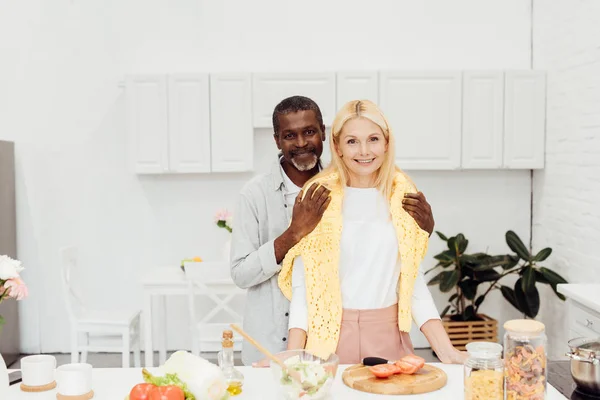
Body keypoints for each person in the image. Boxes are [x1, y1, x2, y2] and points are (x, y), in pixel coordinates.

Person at [230, 96, 436, 366]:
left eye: (309, 132)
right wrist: (293, 234)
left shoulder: (344, 188)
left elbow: (390, 265)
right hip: (270, 345)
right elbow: (241, 274)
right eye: (290, 135)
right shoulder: (254, 195)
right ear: (277, 140)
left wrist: (421, 232)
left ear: (325, 136)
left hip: (327, 341)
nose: (302, 142)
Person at [278, 99, 466, 365]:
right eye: (352, 141)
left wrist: (447, 351)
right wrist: (293, 353)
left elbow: (412, 282)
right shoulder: (318, 195)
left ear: (387, 143)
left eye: (373, 139)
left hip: (388, 336)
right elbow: (303, 285)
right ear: (338, 147)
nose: (364, 151)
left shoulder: (405, 195)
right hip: (328, 341)